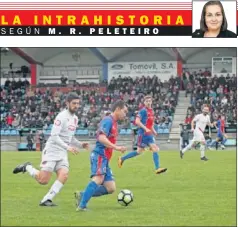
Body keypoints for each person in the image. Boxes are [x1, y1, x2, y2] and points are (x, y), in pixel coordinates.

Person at [13, 93, 89, 206]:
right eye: (74, 103)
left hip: (62, 152)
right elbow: (54, 135)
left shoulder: (75, 119)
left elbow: (70, 137)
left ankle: (46, 199)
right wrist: (68, 147)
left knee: (64, 175)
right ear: (67, 103)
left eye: (78, 103)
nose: (76, 106)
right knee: (43, 180)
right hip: (52, 151)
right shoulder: (61, 117)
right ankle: (27, 167)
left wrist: (80, 144)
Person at [75, 100, 128, 211]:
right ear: (117, 109)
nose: (125, 114)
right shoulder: (108, 120)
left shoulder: (114, 123)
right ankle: (82, 206)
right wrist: (116, 147)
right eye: (124, 111)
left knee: (110, 187)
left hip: (105, 158)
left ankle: (82, 195)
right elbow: (101, 138)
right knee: (98, 178)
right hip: (100, 155)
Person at [118, 95, 167, 174]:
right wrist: (145, 128)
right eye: (146, 101)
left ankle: (157, 168)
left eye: (149, 101)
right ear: (144, 102)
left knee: (154, 149)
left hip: (149, 134)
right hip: (143, 134)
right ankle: (122, 158)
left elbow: (150, 123)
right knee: (139, 151)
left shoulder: (151, 111)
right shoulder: (143, 111)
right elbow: (137, 121)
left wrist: (153, 130)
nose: (148, 102)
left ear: (151, 102)